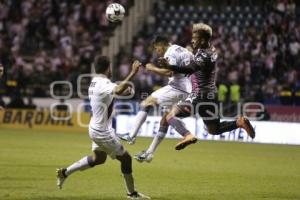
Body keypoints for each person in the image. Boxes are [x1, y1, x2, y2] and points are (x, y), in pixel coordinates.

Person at [56, 56, 150, 199]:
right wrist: (133, 73)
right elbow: (117, 90)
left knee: (98, 159)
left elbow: (111, 94)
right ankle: (132, 194)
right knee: (126, 159)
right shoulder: (104, 83)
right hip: (102, 131)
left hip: (95, 127)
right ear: (108, 68)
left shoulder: (94, 82)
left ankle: (64, 173)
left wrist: (123, 92)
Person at [159, 23, 255, 150]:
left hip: (199, 95)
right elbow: (195, 58)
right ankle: (239, 122)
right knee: (214, 129)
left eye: (195, 38)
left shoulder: (204, 55)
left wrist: (170, 66)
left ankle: (187, 135)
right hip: (210, 96)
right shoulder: (211, 50)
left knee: (169, 116)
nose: (192, 40)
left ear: (203, 40)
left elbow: (190, 69)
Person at [118, 35, 193, 162]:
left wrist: (152, 68)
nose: (156, 51)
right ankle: (149, 153)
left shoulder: (170, 52)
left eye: (156, 48)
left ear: (161, 45)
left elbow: (170, 72)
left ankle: (131, 135)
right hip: (187, 89)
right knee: (165, 120)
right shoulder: (182, 49)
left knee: (147, 103)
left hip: (177, 87)